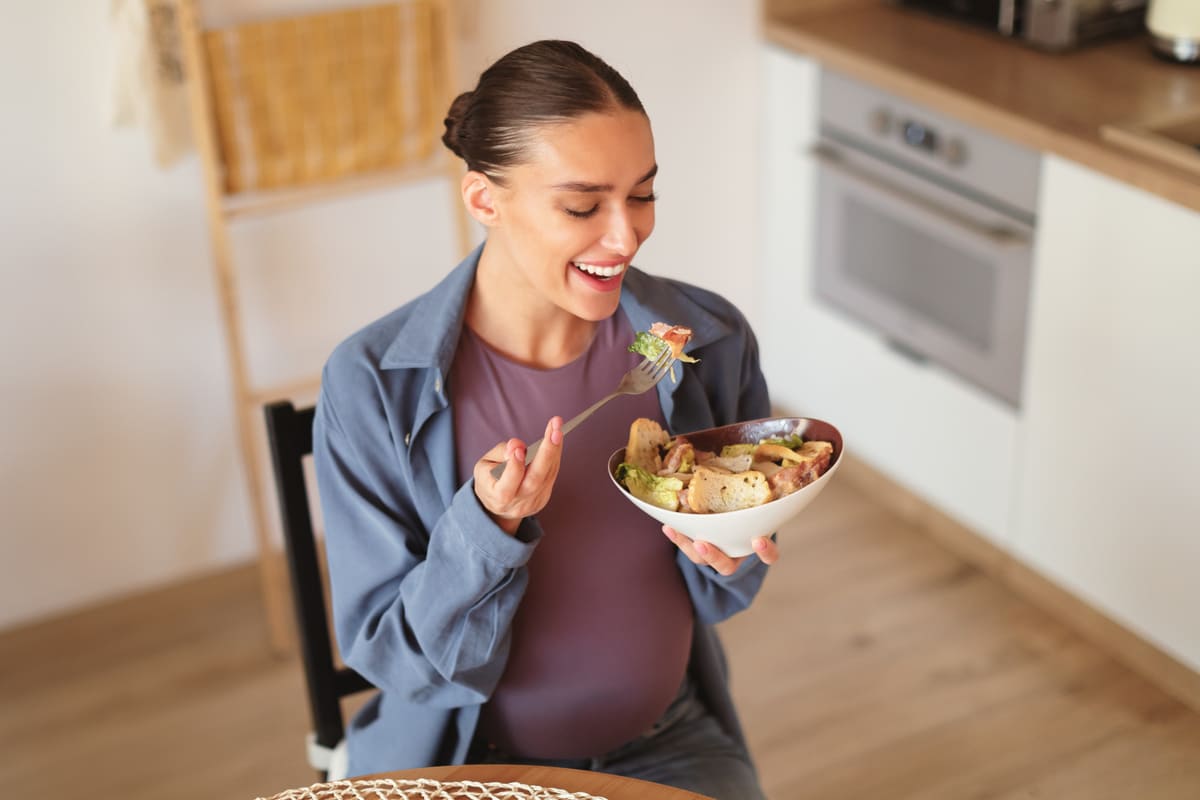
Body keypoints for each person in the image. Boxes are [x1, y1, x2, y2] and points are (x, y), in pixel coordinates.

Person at [313, 39, 776, 800]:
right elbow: (393, 658)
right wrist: (484, 532)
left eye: (644, 195)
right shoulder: (371, 384)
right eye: (583, 206)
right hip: (464, 761)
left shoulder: (707, 340)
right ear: (484, 200)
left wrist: (733, 546)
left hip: (671, 742)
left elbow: (729, 588)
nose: (625, 236)